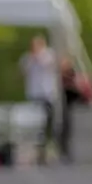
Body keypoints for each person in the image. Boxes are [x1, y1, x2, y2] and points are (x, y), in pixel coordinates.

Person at [20, 36, 58, 164]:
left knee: (47, 125)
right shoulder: (28, 58)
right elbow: (23, 70)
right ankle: (36, 152)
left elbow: (51, 65)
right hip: (34, 95)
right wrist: (32, 58)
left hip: (47, 95)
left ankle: (46, 150)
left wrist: (39, 57)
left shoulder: (48, 55)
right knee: (34, 125)